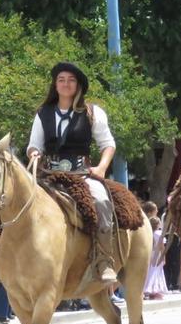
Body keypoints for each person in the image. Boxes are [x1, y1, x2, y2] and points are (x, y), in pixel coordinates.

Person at [26, 62, 120, 285]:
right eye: (61, 80)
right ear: (55, 85)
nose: (65, 84)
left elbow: (108, 144)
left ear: (78, 85)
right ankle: (6, 259)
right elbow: (33, 144)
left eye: (70, 80)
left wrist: (101, 168)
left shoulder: (92, 112)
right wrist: (34, 154)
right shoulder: (43, 113)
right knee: (17, 200)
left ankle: (104, 261)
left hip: (82, 174)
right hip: (48, 172)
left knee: (101, 201)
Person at [141, 201, 169, 300]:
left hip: (150, 255)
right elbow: (162, 247)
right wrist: (163, 257)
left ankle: (147, 289)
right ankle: (155, 290)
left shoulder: (147, 232)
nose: (157, 211)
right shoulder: (158, 234)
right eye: (155, 209)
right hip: (157, 255)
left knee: (149, 272)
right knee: (157, 272)